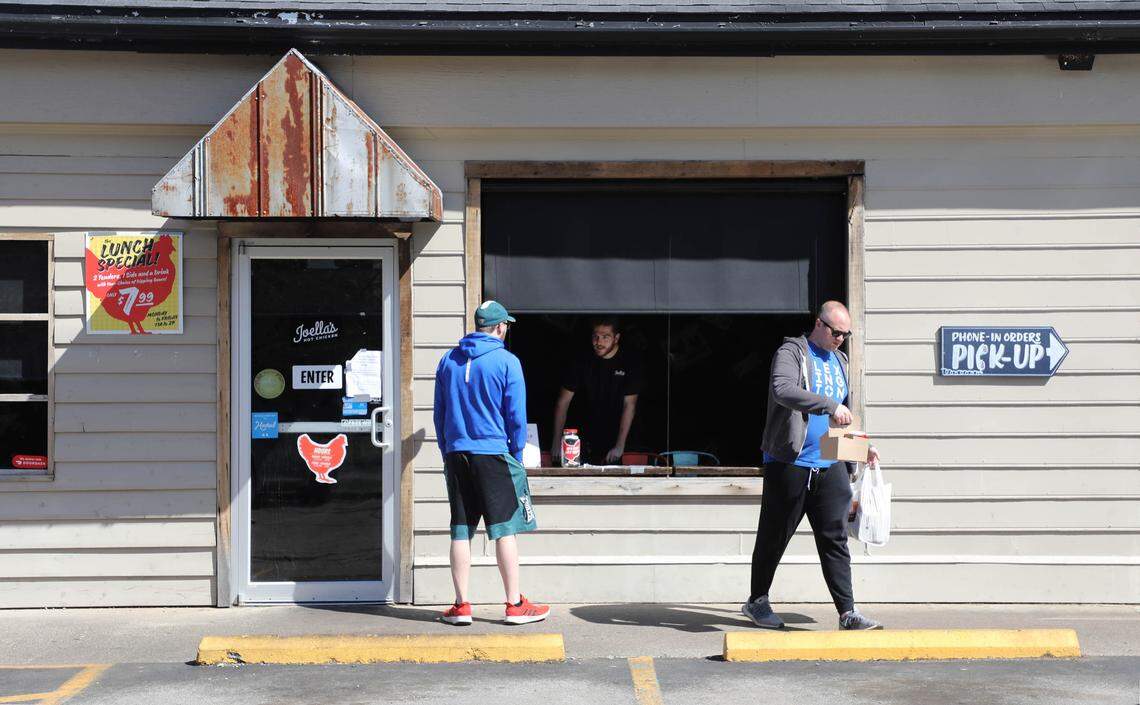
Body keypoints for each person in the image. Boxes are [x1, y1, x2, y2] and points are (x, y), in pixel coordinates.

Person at [743, 301, 884, 631]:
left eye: (846, 334)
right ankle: (757, 601)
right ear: (819, 324)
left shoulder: (840, 360)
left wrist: (861, 448)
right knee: (774, 536)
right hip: (790, 462)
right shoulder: (792, 352)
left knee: (834, 537)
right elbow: (783, 390)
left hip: (829, 463)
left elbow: (840, 421)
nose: (840, 339)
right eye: (836, 332)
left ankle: (847, 612)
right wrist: (829, 405)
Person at [433, 300, 549, 625]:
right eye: (506, 326)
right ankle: (514, 605)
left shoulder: (448, 360)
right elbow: (516, 416)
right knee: (505, 530)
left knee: (459, 530)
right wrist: (515, 452)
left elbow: (439, 413)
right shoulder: (507, 361)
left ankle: (461, 606)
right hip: (493, 454)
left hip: (457, 454)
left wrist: (448, 451)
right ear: (499, 328)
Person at [550, 317, 643, 465]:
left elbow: (629, 406)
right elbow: (563, 402)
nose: (599, 342)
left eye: (605, 337)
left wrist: (620, 446)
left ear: (616, 338)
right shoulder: (581, 360)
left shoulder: (630, 362)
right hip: (585, 439)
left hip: (620, 439)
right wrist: (556, 443)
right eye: (596, 336)